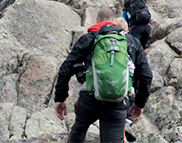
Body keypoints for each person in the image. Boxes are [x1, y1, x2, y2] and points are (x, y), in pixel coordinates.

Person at [54, 7, 153, 143]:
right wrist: (139, 104)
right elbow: (146, 75)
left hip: (89, 100)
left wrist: (60, 99)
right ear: (115, 22)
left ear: (96, 21)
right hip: (117, 102)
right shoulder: (131, 41)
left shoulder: (88, 39)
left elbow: (66, 68)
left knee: (79, 129)